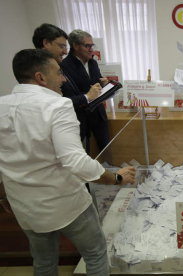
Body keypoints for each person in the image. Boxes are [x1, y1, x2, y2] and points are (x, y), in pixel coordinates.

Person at [0, 49, 136, 275]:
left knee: (44, 262)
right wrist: (116, 178)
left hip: (24, 205)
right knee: (95, 255)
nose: (63, 78)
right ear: (40, 78)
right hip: (66, 204)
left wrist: (3, 193)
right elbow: (76, 161)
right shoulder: (58, 106)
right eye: (58, 72)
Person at [32, 24, 102, 146]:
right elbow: (56, 103)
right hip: (59, 132)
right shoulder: (40, 69)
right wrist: (86, 97)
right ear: (46, 43)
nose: (65, 51)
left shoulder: (58, 65)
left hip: (78, 124)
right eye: (62, 46)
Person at [60, 29, 109, 153]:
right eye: (87, 46)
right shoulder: (64, 66)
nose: (91, 49)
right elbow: (66, 96)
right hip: (80, 117)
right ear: (75, 46)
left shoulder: (93, 63)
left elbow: (96, 82)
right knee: (82, 150)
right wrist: (88, 94)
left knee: (105, 148)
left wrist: (103, 83)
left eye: (92, 45)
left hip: (98, 113)